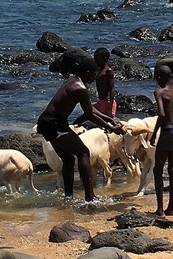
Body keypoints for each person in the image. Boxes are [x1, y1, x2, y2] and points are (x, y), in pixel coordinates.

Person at [36, 58, 121, 201]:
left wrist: (109, 119)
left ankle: (68, 196)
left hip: (46, 122)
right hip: (54, 124)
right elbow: (89, 115)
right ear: (87, 72)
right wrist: (112, 128)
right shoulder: (80, 88)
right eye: (93, 74)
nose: (94, 78)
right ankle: (90, 196)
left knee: (68, 158)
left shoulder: (73, 81)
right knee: (83, 152)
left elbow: (91, 109)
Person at [150, 64, 173, 216]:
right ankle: (171, 207)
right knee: (172, 169)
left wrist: (154, 134)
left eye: (157, 77)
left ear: (161, 77)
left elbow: (162, 115)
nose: (156, 80)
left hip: (167, 132)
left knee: (158, 170)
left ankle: (160, 209)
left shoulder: (159, 92)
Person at [93, 47, 117, 117]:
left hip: (107, 103)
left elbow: (112, 89)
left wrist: (110, 108)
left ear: (105, 58)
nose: (96, 61)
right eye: (95, 59)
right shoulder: (101, 70)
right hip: (102, 102)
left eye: (98, 59)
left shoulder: (108, 71)